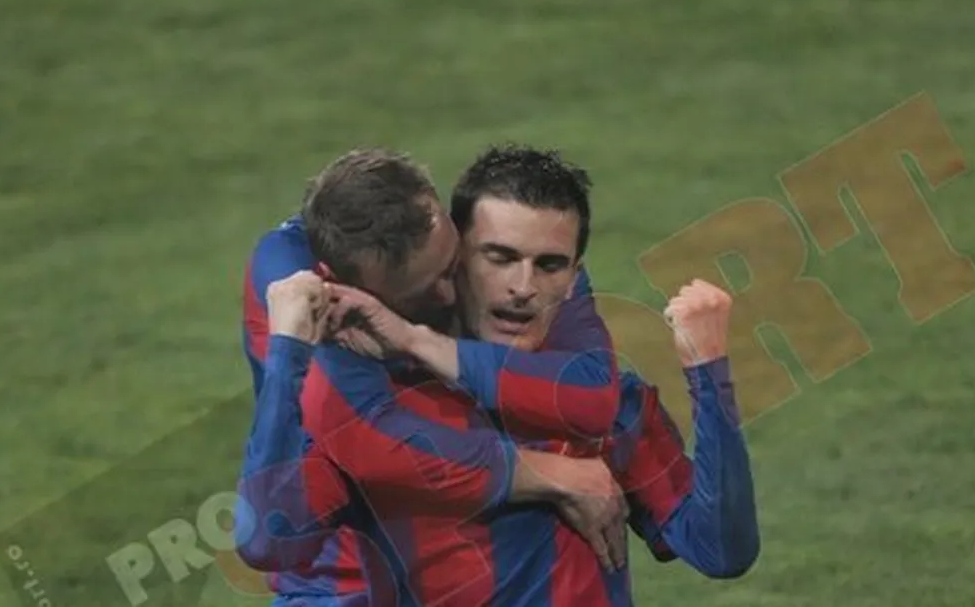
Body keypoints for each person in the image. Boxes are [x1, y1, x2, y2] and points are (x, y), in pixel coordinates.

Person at [240, 146, 760, 604]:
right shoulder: (386, 425)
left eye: (550, 265)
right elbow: (268, 541)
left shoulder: (606, 405)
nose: (523, 288)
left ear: (574, 278)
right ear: (458, 257)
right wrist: (540, 476)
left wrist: (708, 371)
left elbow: (722, 549)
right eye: (499, 257)